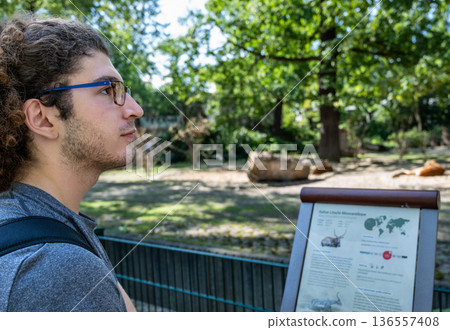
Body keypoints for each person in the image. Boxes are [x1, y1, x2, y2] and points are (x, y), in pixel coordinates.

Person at [0, 13, 143, 311]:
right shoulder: (56, 269)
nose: (135, 109)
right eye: (107, 89)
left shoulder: (22, 220)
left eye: (124, 91)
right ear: (42, 118)